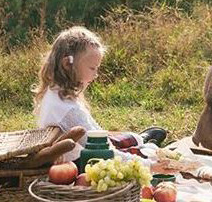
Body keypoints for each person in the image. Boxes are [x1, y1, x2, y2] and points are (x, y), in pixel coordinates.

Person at [32, 25, 168, 170]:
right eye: (92, 68)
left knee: (123, 139)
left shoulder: (56, 92)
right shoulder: (67, 110)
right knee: (144, 153)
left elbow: (96, 132)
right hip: (83, 163)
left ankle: (139, 139)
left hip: (87, 149)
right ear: (67, 64)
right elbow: (104, 153)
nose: (96, 75)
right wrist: (151, 166)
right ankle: (145, 145)